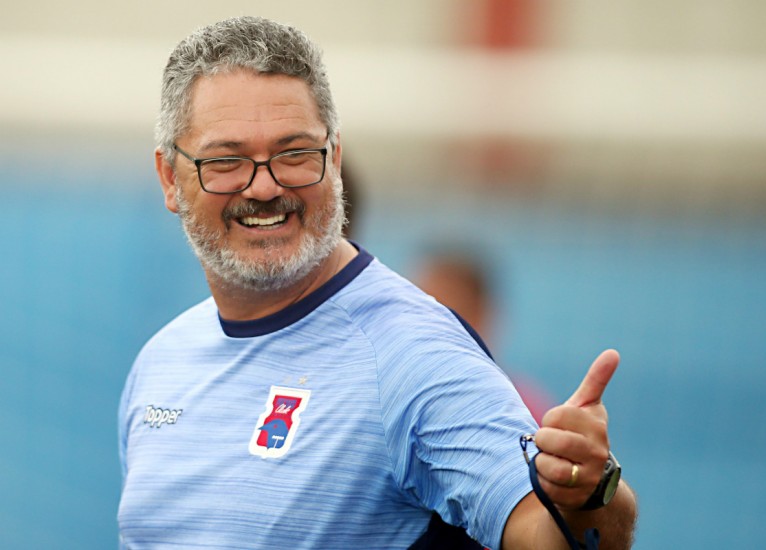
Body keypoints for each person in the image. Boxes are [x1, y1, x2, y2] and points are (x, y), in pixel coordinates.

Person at [118, 16, 637, 550]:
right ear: (170, 178)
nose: (265, 185)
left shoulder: (413, 355)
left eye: (294, 153)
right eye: (226, 160)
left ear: (335, 158)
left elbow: (548, 536)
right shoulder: (160, 363)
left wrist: (591, 495)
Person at [414, 246, 555, 423]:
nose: (428, 328)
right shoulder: (389, 400)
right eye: (417, 313)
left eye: (445, 315)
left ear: (482, 316)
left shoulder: (523, 410)